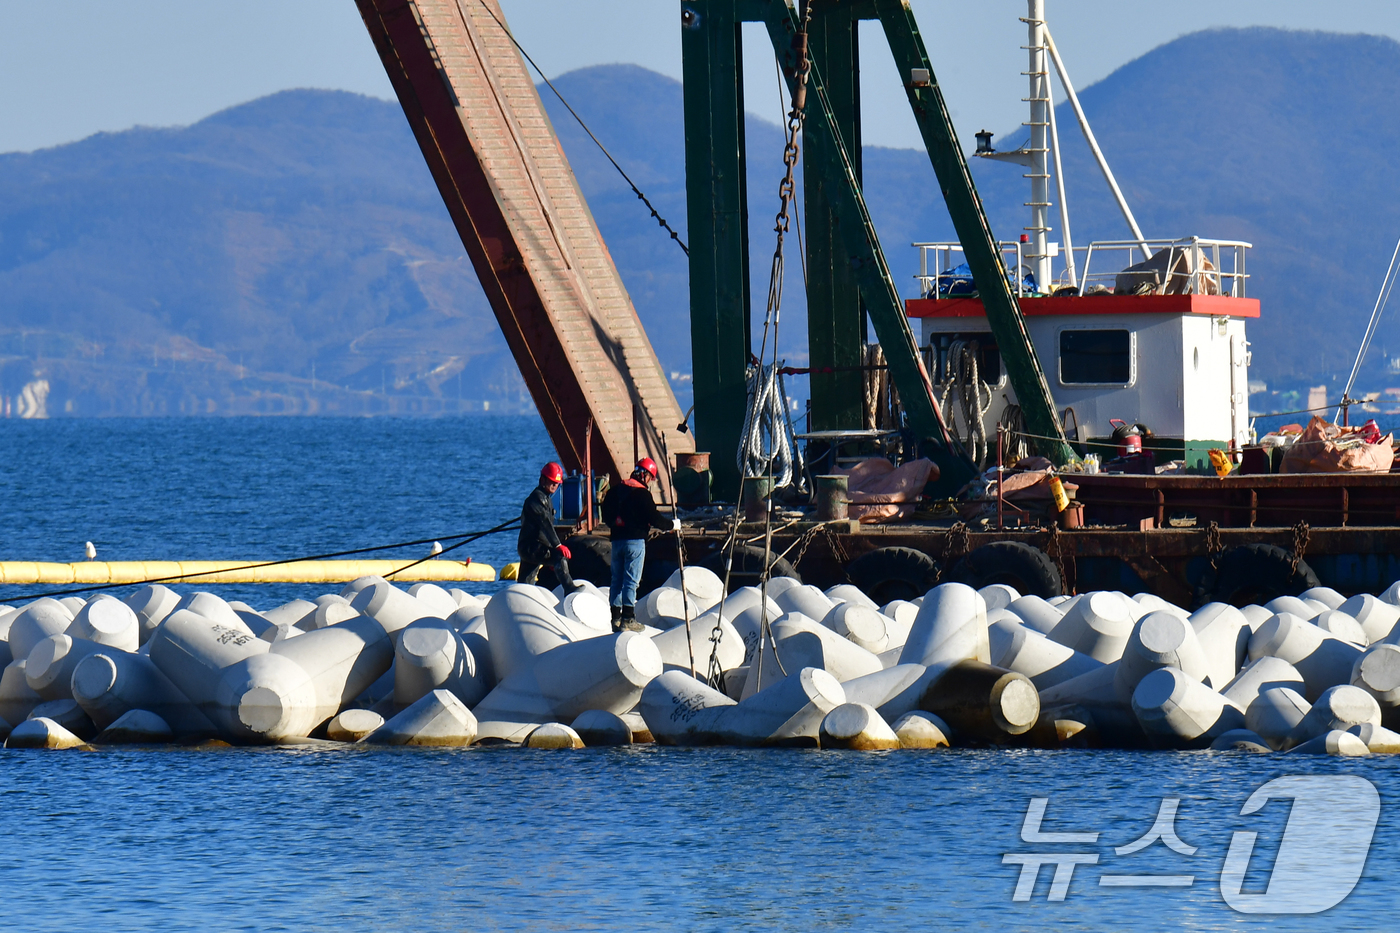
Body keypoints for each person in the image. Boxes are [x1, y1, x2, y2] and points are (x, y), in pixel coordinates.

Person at [602, 456, 679, 632]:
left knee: (616, 580)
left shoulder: (615, 491)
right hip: (635, 543)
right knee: (631, 581)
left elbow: (606, 515)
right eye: (651, 478)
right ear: (645, 476)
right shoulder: (643, 495)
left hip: (617, 541)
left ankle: (615, 618)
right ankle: (628, 618)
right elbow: (655, 519)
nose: (650, 482)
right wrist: (673, 525)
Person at [517, 461, 577, 591]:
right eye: (551, 482)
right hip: (531, 547)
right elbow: (545, 524)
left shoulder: (545, 498)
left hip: (531, 547)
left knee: (525, 582)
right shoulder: (536, 499)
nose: (554, 485)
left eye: (556, 483)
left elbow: (544, 528)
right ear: (542, 479)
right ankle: (570, 589)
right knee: (559, 557)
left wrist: (551, 549)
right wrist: (557, 546)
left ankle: (519, 598)